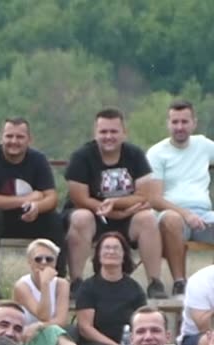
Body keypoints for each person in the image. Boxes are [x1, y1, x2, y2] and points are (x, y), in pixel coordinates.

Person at [65, 108, 166, 297]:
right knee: (80, 218)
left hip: (127, 216)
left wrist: (116, 204)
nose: (108, 136)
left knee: (148, 218)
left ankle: (155, 282)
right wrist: (113, 211)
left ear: (124, 133)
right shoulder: (81, 157)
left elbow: (144, 195)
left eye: (114, 131)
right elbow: (79, 198)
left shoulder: (135, 155)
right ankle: (76, 282)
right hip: (92, 215)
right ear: (95, 133)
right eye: (103, 132)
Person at [0, 117, 67, 292]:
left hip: (29, 219)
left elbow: (51, 198)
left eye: (20, 137)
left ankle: (58, 278)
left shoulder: (38, 160)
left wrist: (37, 207)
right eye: (9, 136)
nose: (14, 141)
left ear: (29, 140)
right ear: (1, 137)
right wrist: (27, 199)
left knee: (54, 219)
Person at [149, 100, 214, 294]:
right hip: (170, 214)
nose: (179, 127)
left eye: (184, 122)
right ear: (168, 124)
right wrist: (186, 214)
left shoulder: (203, 145)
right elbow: (154, 199)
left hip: (204, 215)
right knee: (172, 220)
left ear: (194, 123)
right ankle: (180, 283)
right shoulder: (157, 153)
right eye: (175, 122)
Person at [75, 231, 147, 345]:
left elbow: (142, 322)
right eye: (107, 248)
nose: (111, 252)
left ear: (124, 255)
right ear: (98, 254)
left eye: (116, 248)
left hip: (128, 344)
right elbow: (85, 328)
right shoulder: (87, 287)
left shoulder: (135, 288)